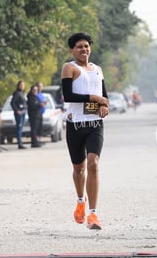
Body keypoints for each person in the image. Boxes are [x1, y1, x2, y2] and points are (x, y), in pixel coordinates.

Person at [61, 32, 109, 230]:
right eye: (79, 46)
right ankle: (81, 200)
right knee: (78, 169)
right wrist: (94, 98)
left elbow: (104, 96)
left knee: (93, 164)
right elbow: (68, 95)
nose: (84, 49)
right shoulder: (69, 68)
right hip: (75, 125)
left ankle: (93, 214)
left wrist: (104, 106)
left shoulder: (97, 69)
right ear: (72, 50)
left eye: (86, 46)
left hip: (94, 124)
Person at [11, 81, 27, 149]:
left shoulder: (23, 93)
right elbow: (12, 103)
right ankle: (19, 143)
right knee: (19, 128)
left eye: (23, 85)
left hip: (23, 112)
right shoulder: (17, 93)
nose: (22, 86)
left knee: (21, 128)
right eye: (21, 85)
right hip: (19, 113)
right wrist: (17, 110)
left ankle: (21, 142)